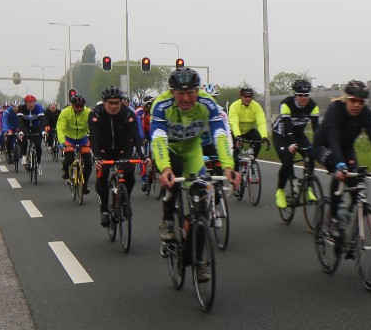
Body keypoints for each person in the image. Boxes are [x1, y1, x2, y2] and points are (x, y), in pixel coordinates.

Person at [151, 68, 238, 279]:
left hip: (192, 152)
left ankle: (199, 261)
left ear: (198, 91)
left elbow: (220, 134)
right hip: (169, 150)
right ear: (172, 92)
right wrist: (165, 168)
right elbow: (159, 138)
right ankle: (167, 219)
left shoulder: (207, 103)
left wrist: (228, 166)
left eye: (190, 93)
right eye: (180, 93)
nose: (186, 98)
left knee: (201, 208)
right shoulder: (161, 105)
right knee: (172, 178)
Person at [311, 80, 371, 228]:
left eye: (361, 102)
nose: (357, 105)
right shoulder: (335, 109)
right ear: (346, 98)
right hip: (324, 146)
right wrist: (339, 165)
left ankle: (348, 213)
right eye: (353, 100)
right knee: (340, 173)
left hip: (346, 149)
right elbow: (333, 138)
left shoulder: (365, 113)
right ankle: (333, 216)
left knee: (357, 184)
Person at [89, 86, 142, 227]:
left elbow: (135, 135)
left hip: (123, 148)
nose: (114, 106)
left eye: (117, 103)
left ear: (121, 102)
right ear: (104, 102)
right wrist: (96, 157)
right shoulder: (96, 114)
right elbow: (94, 137)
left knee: (129, 173)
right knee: (102, 174)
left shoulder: (128, 113)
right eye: (110, 103)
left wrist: (142, 154)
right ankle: (104, 210)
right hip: (103, 149)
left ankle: (125, 201)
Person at [271, 79, 320, 211]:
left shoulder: (313, 106)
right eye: (300, 95)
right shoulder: (286, 104)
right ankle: (280, 191)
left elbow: (316, 129)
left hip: (298, 134)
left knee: (310, 155)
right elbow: (288, 128)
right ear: (295, 95)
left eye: (306, 95)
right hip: (281, 135)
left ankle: (308, 186)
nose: (303, 98)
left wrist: (319, 144)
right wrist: (292, 144)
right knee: (287, 162)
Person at [227, 83, 269, 168]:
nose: (248, 98)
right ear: (241, 97)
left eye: (250, 97)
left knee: (258, 141)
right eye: (245, 96)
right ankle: (236, 173)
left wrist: (264, 136)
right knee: (235, 153)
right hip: (236, 131)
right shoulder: (234, 106)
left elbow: (261, 122)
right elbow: (234, 122)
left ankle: (252, 161)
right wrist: (238, 136)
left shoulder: (256, 106)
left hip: (249, 130)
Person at [57, 94, 92, 182]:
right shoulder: (65, 112)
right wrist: (62, 142)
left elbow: (92, 126)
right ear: (72, 105)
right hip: (69, 138)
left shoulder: (88, 112)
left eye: (81, 106)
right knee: (69, 159)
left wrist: (92, 137)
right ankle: (65, 168)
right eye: (77, 106)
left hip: (83, 138)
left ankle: (84, 184)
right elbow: (60, 128)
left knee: (88, 163)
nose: (79, 108)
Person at [15, 94, 47, 174]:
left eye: (32, 103)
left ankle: (38, 164)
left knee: (38, 146)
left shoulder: (39, 108)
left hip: (36, 126)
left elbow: (42, 121)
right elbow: (20, 121)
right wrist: (21, 131)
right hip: (25, 126)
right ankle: (24, 156)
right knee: (23, 138)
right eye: (29, 103)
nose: (31, 105)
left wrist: (43, 131)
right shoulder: (21, 108)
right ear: (26, 103)